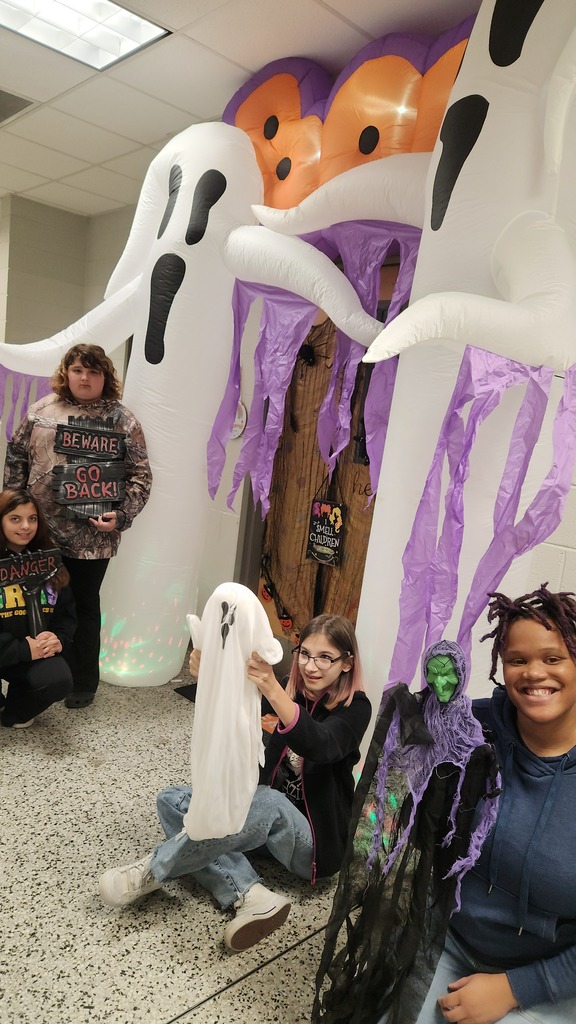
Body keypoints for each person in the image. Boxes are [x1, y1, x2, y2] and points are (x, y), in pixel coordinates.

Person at [98, 613, 372, 953]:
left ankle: (155, 868)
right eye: (304, 653)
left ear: (347, 663)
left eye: (325, 658)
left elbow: (319, 743)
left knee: (269, 802)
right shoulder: (293, 689)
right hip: (264, 824)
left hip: (313, 844)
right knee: (173, 800)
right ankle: (251, 894)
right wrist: (209, 672)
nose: (311, 666)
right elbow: (234, 705)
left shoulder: (356, 708)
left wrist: (272, 687)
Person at [416, 585, 576, 1024]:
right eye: (518, 660)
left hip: (550, 973)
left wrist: (515, 988)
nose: (533, 673)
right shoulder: (476, 728)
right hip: (451, 938)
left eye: (553, 658)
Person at [3, 343, 152, 708]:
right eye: (78, 370)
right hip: (37, 533)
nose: (85, 378)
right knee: (33, 602)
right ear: (66, 373)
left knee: (83, 605)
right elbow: (17, 456)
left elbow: (140, 475)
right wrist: (14, 509)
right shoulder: (41, 410)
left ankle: (82, 679)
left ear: (105, 377)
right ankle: (39, 672)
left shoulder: (123, 420)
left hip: (92, 539)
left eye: (93, 371)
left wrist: (121, 515)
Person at [0, 488, 76, 728]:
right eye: (15, 518)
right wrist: (22, 649)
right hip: (10, 649)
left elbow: (67, 614)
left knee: (58, 681)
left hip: (35, 652)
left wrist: (58, 639)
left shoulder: (50, 561)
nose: (25, 527)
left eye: (32, 519)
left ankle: (14, 711)